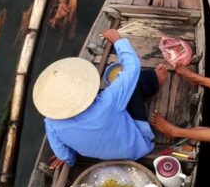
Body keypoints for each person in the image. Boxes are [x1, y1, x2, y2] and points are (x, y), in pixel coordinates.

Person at [32, 29, 167, 167]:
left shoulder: (51, 124)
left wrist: (70, 156)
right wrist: (117, 40)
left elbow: (65, 156)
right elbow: (133, 67)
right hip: (139, 148)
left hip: (104, 158)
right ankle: (155, 84)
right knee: (137, 81)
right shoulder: (108, 101)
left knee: (120, 96)